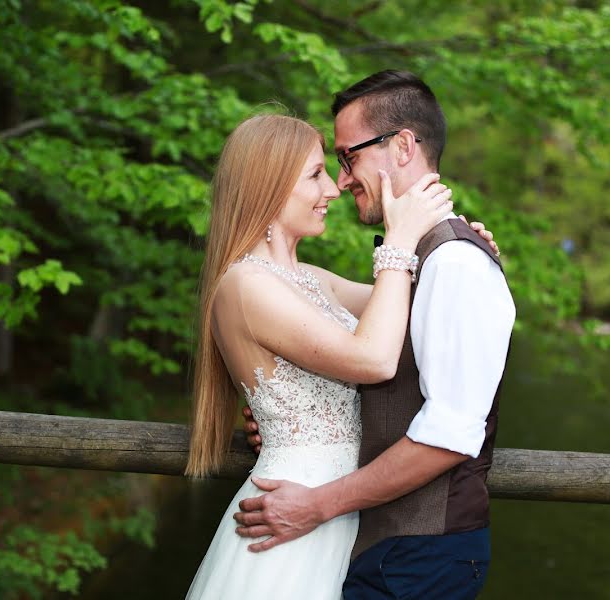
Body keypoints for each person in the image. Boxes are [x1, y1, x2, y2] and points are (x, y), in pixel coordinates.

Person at [182, 111, 495, 599]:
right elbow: (373, 359)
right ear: (268, 185)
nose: (333, 189)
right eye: (315, 175)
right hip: (291, 511)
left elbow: (416, 311)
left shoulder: (312, 279)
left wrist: (456, 252)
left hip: (340, 513)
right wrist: (399, 240)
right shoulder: (245, 285)